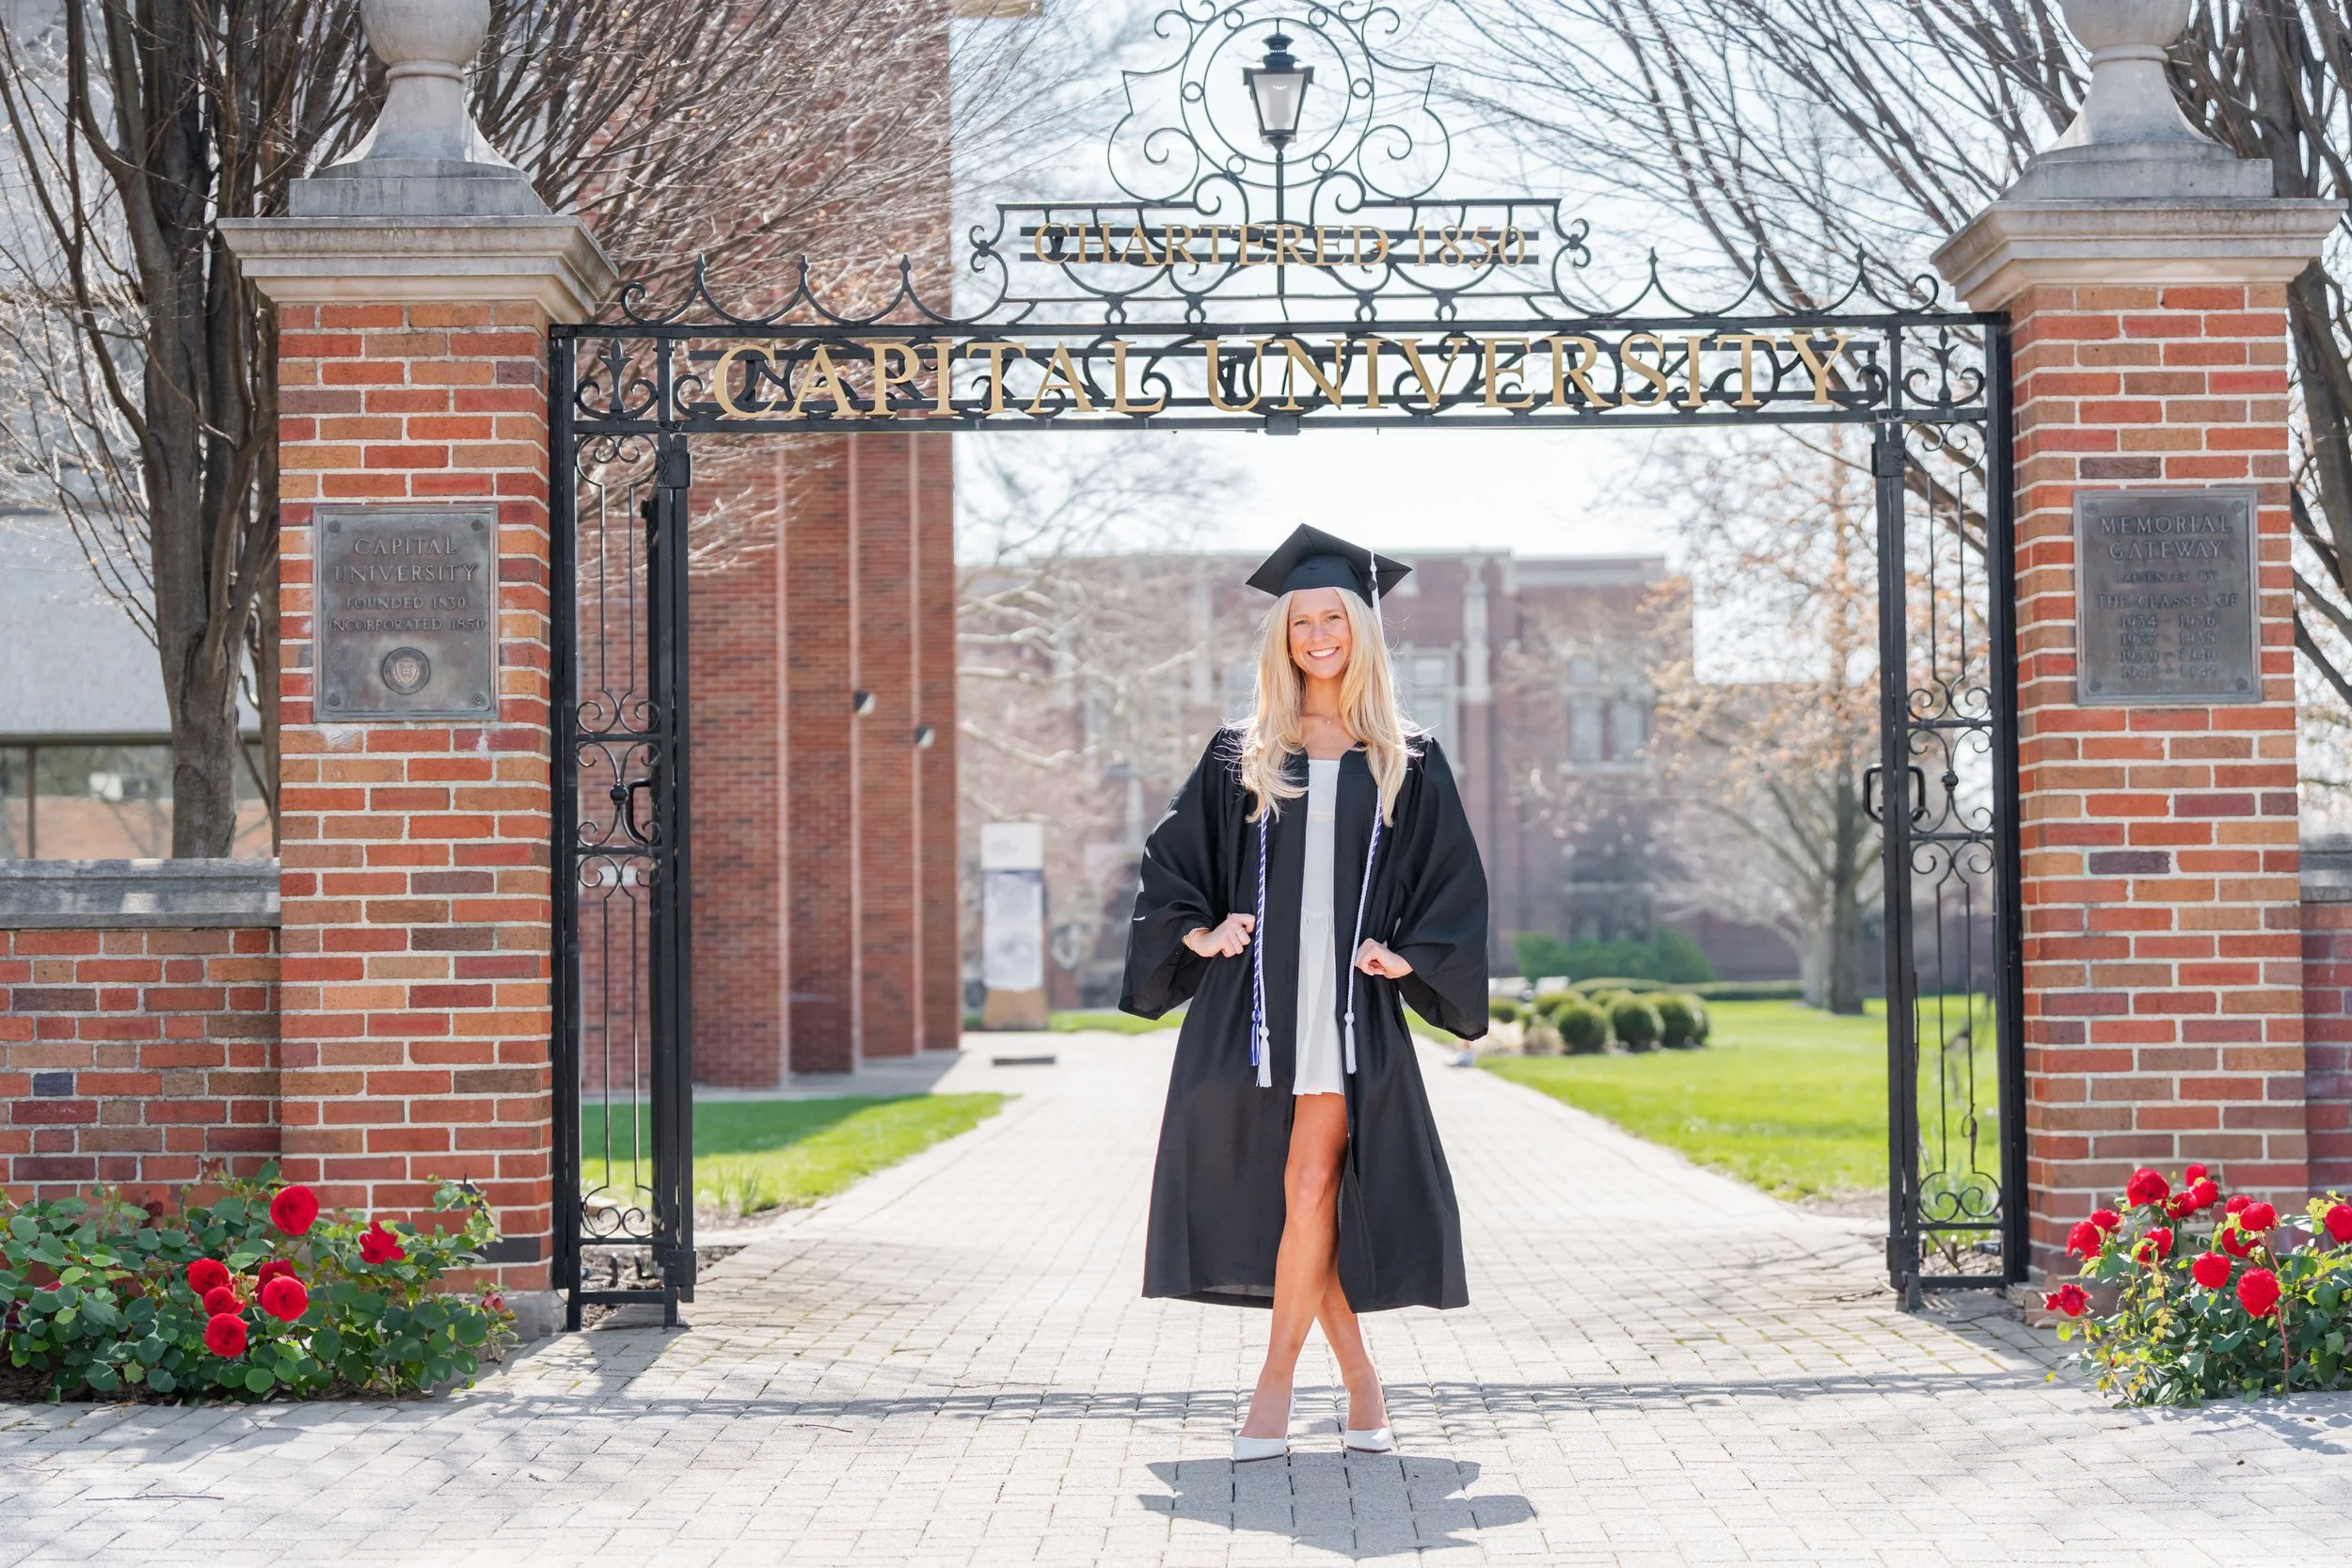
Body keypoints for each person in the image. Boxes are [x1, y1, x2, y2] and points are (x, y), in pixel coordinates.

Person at [1120, 524, 1489, 1462]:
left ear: (1360, 630)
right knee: (1297, 1199)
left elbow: (1454, 880)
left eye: (1333, 617)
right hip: (1252, 1006)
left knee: (1310, 1179)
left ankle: (1274, 1391)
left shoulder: (1405, 754)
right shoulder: (1240, 751)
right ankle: (1363, 1384)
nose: (1317, 634)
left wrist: (1409, 957)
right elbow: (1171, 865)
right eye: (1300, 621)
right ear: (1281, 636)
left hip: (1344, 1013)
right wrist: (1199, 934)